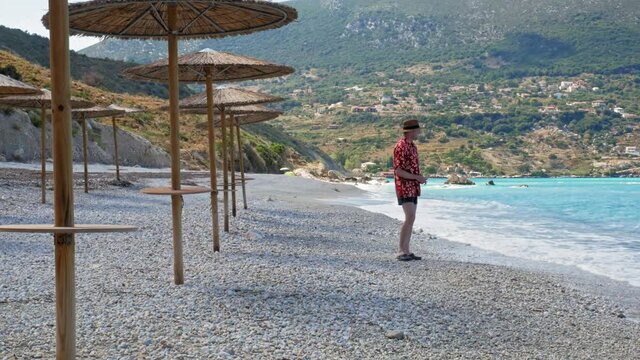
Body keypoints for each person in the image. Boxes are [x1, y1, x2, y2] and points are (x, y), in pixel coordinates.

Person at [393, 119, 427, 261]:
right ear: (411, 131)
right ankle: (401, 251)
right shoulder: (401, 146)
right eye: (418, 130)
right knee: (410, 217)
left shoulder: (412, 146)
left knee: (411, 218)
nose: (420, 132)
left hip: (412, 186)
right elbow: (399, 171)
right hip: (404, 186)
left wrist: (418, 178)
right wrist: (416, 177)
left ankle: (406, 250)